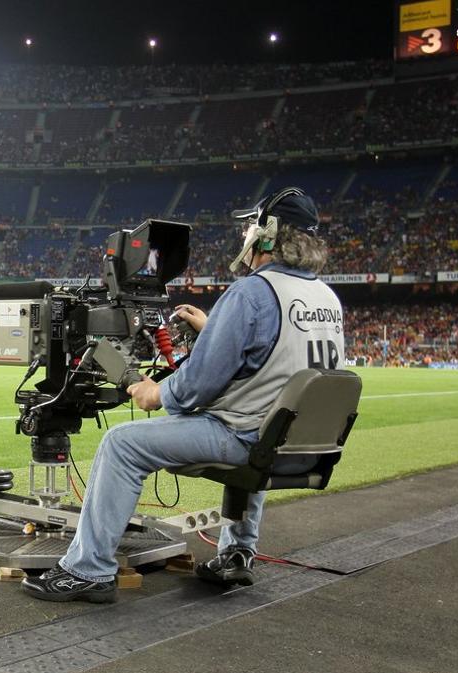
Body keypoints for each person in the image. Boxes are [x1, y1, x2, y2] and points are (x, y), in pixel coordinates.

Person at [22, 187, 345, 603]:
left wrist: (155, 392)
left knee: (122, 444)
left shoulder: (252, 292)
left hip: (244, 438)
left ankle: (89, 570)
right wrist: (216, 330)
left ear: (268, 234)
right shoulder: (327, 297)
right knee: (266, 426)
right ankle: (237, 551)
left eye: (252, 225)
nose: (246, 233)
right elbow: (277, 359)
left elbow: (196, 387)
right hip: (297, 442)